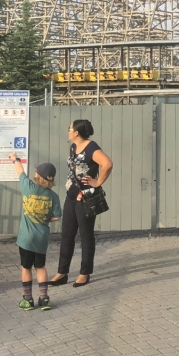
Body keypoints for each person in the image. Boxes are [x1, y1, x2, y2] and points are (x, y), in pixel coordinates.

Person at [51, 119, 112, 287]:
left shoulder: (91, 148)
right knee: (67, 235)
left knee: (86, 235)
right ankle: (62, 272)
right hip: (71, 196)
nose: (68, 131)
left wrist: (98, 182)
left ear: (76, 132)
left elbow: (107, 163)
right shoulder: (73, 147)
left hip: (86, 198)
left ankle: (84, 273)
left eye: (69, 128)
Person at [9, 154, 62, 310]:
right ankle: (44, 299)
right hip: (41, 237)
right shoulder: (53, 196)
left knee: (26, 267)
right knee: (40, 267)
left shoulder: (28, 187)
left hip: (26, 238)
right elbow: (57, 216)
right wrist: (45, 218)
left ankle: (28, 300)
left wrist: (15, 159)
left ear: (37, 176)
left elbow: (20, 171)